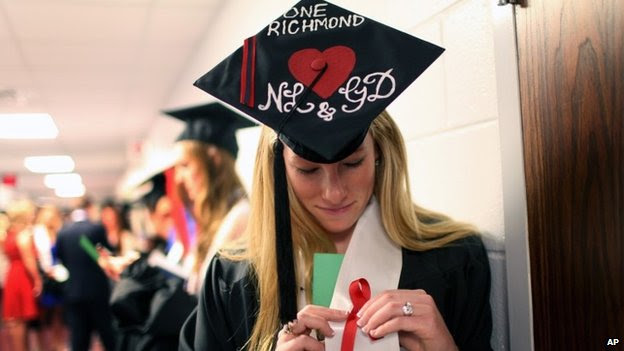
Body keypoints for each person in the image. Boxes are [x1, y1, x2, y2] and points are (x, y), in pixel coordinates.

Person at [179, 0, 492, 350]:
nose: (333, 192)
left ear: (381, 156)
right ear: (277, 171)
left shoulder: (453, 259)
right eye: (308, 170)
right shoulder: (233, 277)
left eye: (352, 163)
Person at [164, 102, 256, 294]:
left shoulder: (241, 217)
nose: (179, 178)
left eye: (185, 165)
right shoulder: (214, 219)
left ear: (214, 161)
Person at [55, 196, 117, 351]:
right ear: (89, 207)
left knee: (78, 338)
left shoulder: (63, 232)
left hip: (74, 291)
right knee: (107, 335)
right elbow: (107, 254)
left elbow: (61, 258)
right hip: (97, 290)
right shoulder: (96, 228)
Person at [1, 200, 41, 351]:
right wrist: (37, 279)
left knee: (14, 319)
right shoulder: (23, 234)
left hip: (12, 274)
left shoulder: (8, 233)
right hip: (22, 277)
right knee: (19, 320)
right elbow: (29, 260)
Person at [32, 204, 68, 351]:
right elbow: (40, 256)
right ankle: (42, 345)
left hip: (59, 275)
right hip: (46, 276)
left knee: (59, 313)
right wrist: (47, 270)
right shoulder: (39, 233)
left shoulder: (59, 232)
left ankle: (58, 342)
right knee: (44, 314)